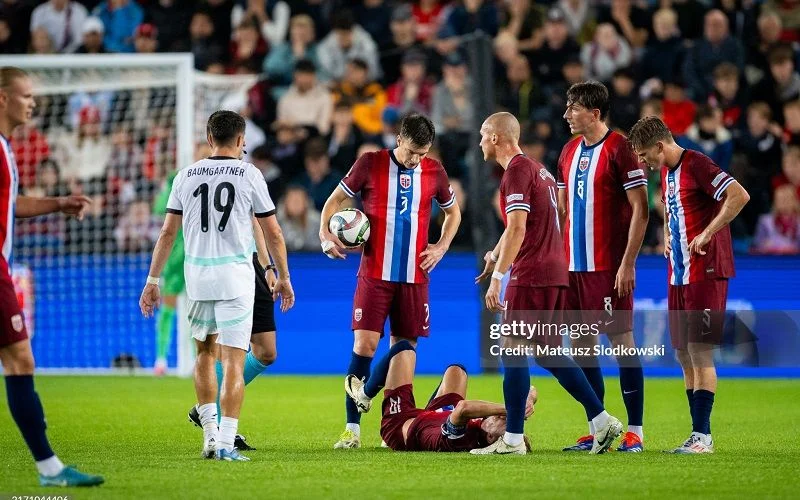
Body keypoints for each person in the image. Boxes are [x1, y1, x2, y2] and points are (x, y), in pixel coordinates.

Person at [139, 110, 295, 461]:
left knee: (205, 356)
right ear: (241, 141)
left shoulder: (185, 176)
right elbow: (273, 231)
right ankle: (226, 442)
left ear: (210, 139)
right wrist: (282, 277)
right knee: (235, 362)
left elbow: (167, 232)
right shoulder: (249, 174)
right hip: (235, 278)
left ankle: (209, 437)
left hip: (198, 278)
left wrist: (152, 279)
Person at [471, 112, 623, 455]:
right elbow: (530, 224)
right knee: (547, 352)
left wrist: (498, 278)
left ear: (496, 137)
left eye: (483, 134)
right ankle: (601, 420)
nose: (480, 141)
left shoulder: (515, 171)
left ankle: (511, 440)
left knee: (511, 344)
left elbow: (519, 227)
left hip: (533, 272)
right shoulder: (539, 170)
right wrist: (496, 254)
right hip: (556, 269)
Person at [319, 113, 461, 449]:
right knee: (364, 346)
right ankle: (351, 430)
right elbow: (333, 202)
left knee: (405, 351)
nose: (417, 160)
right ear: (398, 140)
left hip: (415, 276)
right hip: (374, 272)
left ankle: (395, 425)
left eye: (423, 153)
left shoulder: (434, 171)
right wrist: (326, 235)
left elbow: (453, 212)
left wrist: (441, 246)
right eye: (412, 152)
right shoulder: (370, 163)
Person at [0, 66, 103, 486]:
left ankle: (50, 468)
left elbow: (11, 205)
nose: (33, 103)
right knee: (20, 358)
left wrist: (58, 202)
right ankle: (50, 469)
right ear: (2, 98)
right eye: (25, 96)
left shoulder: (6, 148)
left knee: (19, 358)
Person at [628, 116, 749, 453]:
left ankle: (703, 436)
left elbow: (739, 195)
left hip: (706, 270)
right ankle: (696, 434)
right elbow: (670, 210)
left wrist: (708, 232)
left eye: (644, 155)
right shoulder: (666, 173)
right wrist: (668, 235)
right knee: (683, 353)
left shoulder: (697, 164)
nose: (643, 162)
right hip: (679, 272)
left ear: (660, 146)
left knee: (700, 351)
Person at [557, 81, 649, 452]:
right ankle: (599, 427)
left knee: (622, 344)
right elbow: (564, 209)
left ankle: (636, 431)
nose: (566, 115)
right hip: (573, 269)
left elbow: (642, 210)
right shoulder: (567, 151)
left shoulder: (621, 149)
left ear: (594, 114)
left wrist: (627, 263)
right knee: (581, 346)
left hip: (608, 268)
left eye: (573, 108)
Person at [344, 340, 535, 452]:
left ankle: (364, 394)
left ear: (492, 437)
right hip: (432, 417)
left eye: (505, 423)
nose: (505, 417)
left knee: (403, 349)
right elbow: (531, 389)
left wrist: (513, 409)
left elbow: (464, 408)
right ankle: (429, 412)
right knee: (457, 371)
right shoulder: (482, 425)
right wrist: (529, 400)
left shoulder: (464, 438)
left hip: (401, 426)